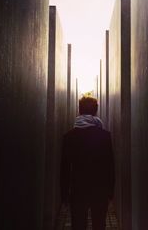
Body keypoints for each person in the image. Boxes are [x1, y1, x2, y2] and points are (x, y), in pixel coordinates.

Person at [60, 96, 115, 230]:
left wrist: (64, 194)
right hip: (100, 189)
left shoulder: (69, 136)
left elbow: (65, 168)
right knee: (99, 225)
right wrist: (110, 191)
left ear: (79, 110)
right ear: (96, 111)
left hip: (78, 189)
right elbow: (110, 165)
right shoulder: (105, 136)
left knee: (78, 225)